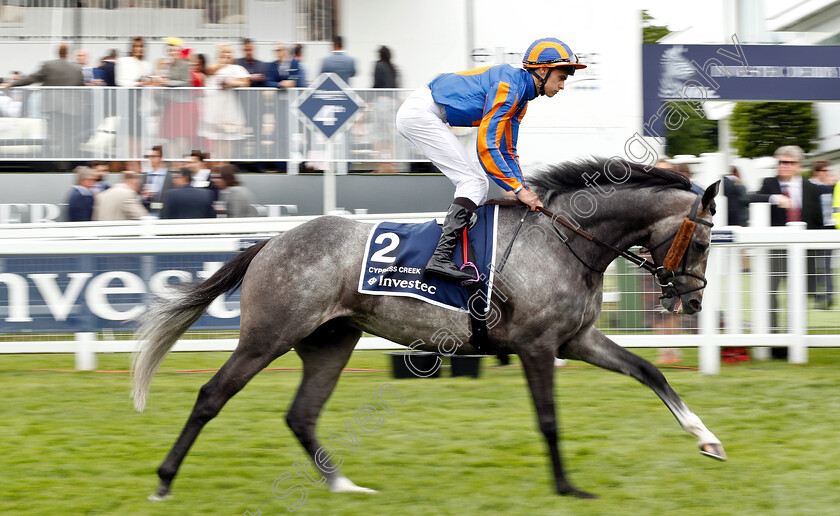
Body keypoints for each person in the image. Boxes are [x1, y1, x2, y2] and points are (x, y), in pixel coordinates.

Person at [395, 37, 585, 281]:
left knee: (476, 183)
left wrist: (522, 188)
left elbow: (507, 150)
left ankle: (451, 254)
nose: (562, 86)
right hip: (421, 114)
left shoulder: (521, 98)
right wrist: (516, 188)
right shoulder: (509, 88)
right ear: (542, 70)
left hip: (428, 114)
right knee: (474, 182)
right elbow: (486, 146)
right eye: (561, 78)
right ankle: (440, 258)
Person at [751, 145, 823, 355]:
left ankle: (795, 340)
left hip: (804, 252)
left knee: (799, 295)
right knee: (770, 294)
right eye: (781, 162)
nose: (783, 166)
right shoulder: (769, 183)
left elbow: (817, 221)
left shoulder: (812, 188)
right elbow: (751, 198)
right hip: (776, 250)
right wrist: (774, 199)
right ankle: (774, 342)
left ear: (799, 166)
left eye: (789, 163)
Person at [8, 43, 84, 159]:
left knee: (55, 135)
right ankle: (66, 163)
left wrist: (12, 84)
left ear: (58, 53)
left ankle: (54, 162)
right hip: (72, 109)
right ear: (67, 54)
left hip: (54, 107)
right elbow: (81, 88)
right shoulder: (77, 69)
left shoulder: (48, 65)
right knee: (69, 136)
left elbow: (31, 79)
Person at [198, 43, 249, 158]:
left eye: (228, 52)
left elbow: (245, 82)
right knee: (216, 138)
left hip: (229, 106)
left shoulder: (237, 68)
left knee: (229, 136)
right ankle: (217, 164)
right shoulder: (213, 67)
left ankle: (226, 162)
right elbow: (209, 71)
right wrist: (221, 63)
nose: (226, 55)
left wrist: (231, 83)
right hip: (214, 106)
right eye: (223, 52)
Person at [809, 160, 837, 309]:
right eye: (824, 171)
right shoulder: (810, 187)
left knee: (825, 265)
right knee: (813, 265)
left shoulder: (831, 187)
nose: (827, 174)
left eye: (828, 171)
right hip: (814, 231)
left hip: (829, 230)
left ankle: (827, 296)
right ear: (816, 172)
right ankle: (818, 296)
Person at [142, 145, 173, 216]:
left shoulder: (169, 177)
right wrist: (144, 197)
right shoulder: (145, 176)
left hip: (164, 214)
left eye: (153, 157)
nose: (150, 159)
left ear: (161, 158)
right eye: (149, 157)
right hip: (148, 213)